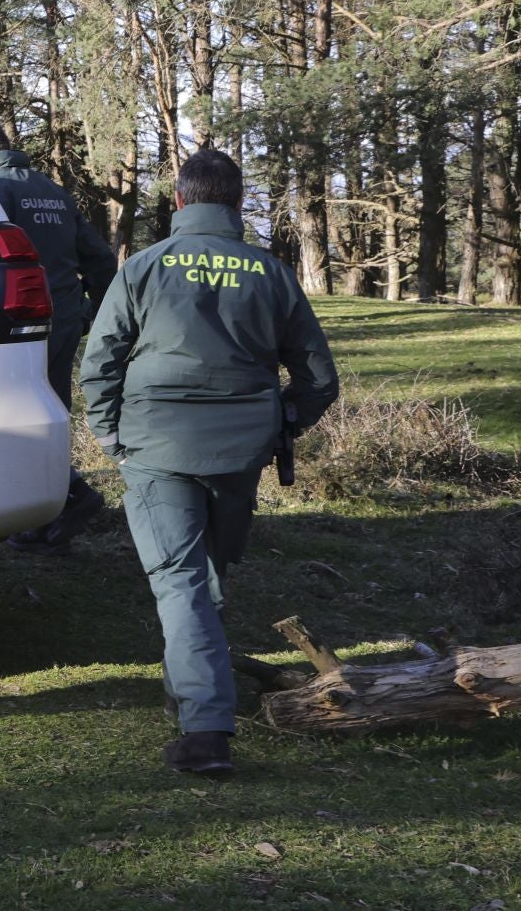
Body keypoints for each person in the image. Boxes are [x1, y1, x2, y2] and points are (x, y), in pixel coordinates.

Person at [80, 148, 338, 776]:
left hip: (156, 443)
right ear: (238, 202)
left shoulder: (143, 266)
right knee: (206, 575)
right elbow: (318, 378)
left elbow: (101, 360)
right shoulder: (271, 273)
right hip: (240, 447)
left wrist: (113, 436)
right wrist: (280, 424)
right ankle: (188, 691)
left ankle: (205, 732)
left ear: (179, 201)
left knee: (182, 579)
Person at [0, 119, 118, 552]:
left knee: (12, 416)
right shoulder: (54, 192)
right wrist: (94, 315)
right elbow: (101, 261)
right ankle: (56, 513)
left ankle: (63, 501)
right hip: (62, 320)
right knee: (50, 412)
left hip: (14, 324)